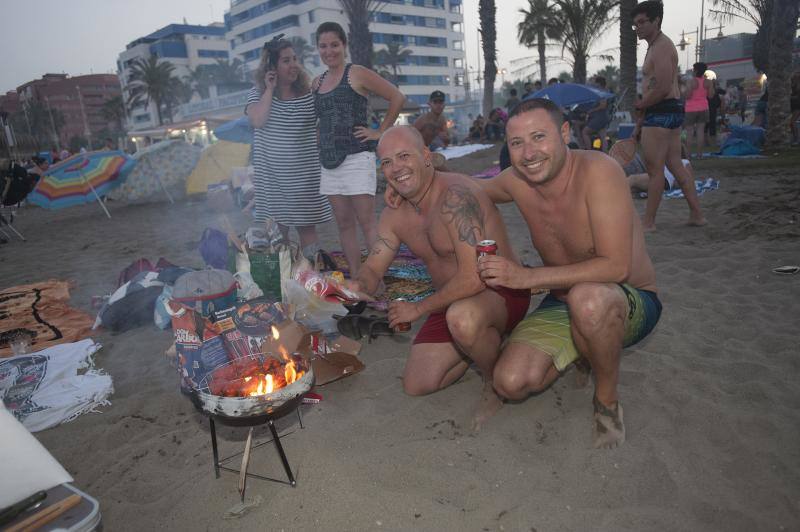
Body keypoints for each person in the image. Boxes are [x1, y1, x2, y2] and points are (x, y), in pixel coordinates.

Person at [474, 98, 662, 449]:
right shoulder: (516, 181)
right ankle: (583, 349)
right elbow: (469, 191)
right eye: (517, 143)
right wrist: (425, 175)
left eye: (538, 137)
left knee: (588, 299)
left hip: (626, 299)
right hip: (563, 300)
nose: (528, 153)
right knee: (510, 382)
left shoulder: (599, 171)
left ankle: (605, 401)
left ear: (564, 133)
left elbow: (616, 266)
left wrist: (527, 278)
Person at [353, 125, 531, 430]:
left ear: (425, 157)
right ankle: (482, 343)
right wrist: (356, 287)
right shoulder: (394, 215)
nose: (396, 168)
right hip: (451, 300)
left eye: (403, 156)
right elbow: (373, 267)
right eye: (387, 162)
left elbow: (476, 277)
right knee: (417, 383)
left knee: (463, 319)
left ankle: (493, 383)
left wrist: (418, 309)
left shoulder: (456, 197)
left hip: (499, 291)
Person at [313, 22, 406, 277]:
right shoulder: (316, 83)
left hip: (357, 157)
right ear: (317, 49)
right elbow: (322, 119)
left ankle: (377, 278)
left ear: (344, 45)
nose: (329, 50)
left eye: (334, 44)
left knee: (366, 223)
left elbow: (397, 97)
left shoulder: (357, 73)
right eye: (323, 46)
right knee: (343, 224)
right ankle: (356, 277)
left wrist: (380, 132)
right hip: (329, 163)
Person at [246, 35, 333, 261]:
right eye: (286, 60)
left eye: (295, 59)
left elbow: (328, 123)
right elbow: (258, 120)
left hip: (304, 178)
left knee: (307, 231)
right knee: (278, 233)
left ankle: (313, 275)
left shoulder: (310, 95)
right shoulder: (258, 94)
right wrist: (269, 88)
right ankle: (284, 281)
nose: (293, 64)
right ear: (271, 66)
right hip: (273, 179)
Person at [631, 0, 706, 231]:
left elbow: (662, 87)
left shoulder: (662, 46)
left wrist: (642, 104)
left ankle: (648, 222)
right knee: (675, 164)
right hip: (668, 111)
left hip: (661, 111)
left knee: (655, 171)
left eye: (642, 22)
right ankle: (697, 215)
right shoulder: (656, 46)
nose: (638, 28)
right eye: (635, 24)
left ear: (656, 21)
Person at [683, 62, 714, 157]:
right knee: (700, 131)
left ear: (695, 70)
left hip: (691, 108)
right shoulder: (708, 82)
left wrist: (683, 92)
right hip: (704, 107)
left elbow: (687, 96)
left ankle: (688, 154)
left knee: (690, 132)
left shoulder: (690, 82)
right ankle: (699, 154)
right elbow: (711, 95)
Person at [581, 76, 611, 151]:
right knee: (603, 136)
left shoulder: (602, 92)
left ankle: (589, 152)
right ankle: (605, 154)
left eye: (595, 83)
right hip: (602, 118)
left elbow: (603, 105)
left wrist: (591, 111)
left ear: (599, 83)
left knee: (585, 132)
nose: (594, 84)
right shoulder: (604, 91)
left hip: (599, 118)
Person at [705, 71, 725, 148]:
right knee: (711, 126)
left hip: (707, 110)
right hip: (711, 111)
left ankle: (707, 142)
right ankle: (712, 142)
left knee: (706, 127)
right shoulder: (715, 92)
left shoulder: (708, 92)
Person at [789, 72, 800, 144]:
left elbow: (798, 97)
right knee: (791, 123)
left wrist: (789, 97)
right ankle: (795, 138)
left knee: (792, 122)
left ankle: (797, 139)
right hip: (794, 107)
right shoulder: (792, 85)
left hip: (797, 106)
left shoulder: (798, 86)